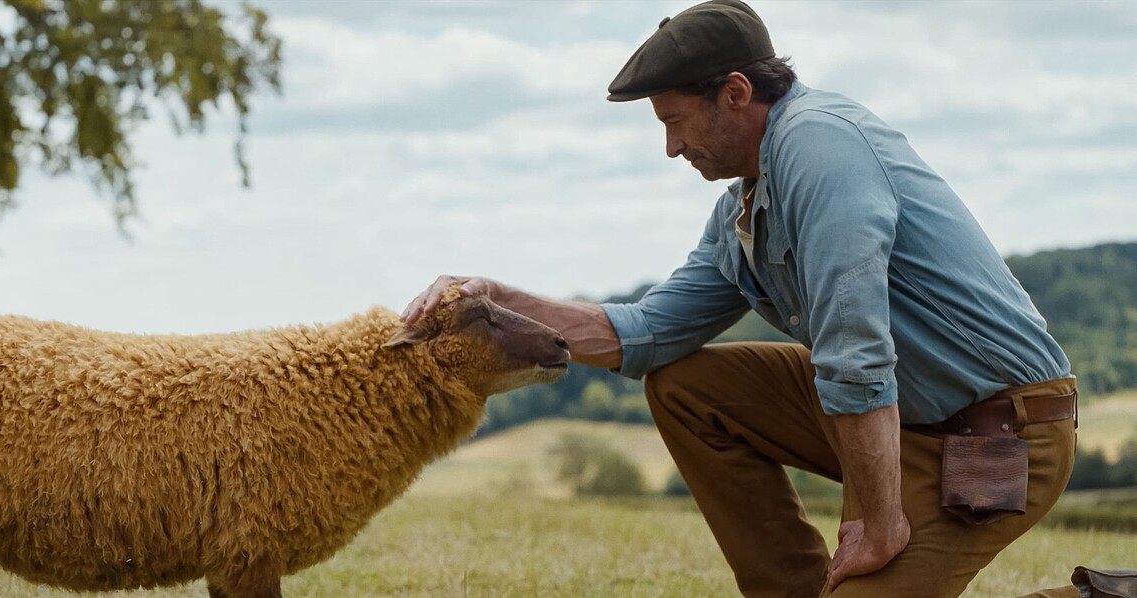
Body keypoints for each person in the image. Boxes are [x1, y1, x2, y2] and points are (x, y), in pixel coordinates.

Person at [402, 1, 1085, 596]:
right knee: (686, 385)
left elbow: (854, 350)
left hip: (997, 438)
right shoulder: (742, 210)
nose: (671, 148)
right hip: (900, 422)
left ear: (734, 92)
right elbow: (644, 332)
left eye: (676, 121)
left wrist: (879, 524)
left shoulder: (820, 145)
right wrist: (492, 300)